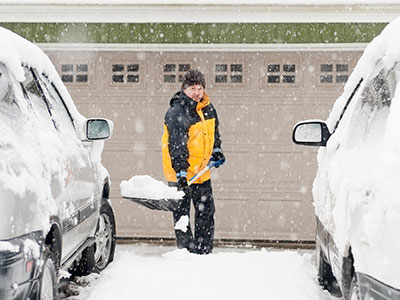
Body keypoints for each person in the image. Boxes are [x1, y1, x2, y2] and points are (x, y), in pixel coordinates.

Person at [161, 69, 225, 255]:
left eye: (200, 88)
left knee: (206, 213)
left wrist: (217, 151)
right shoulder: (176, 112)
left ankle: (204, 252)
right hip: (180, 174)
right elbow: (177, 146)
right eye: (192, 88)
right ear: (184, 89)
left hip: (202, 172)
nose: (197, 93)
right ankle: (186, 255)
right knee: (182, 217)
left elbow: (215, 135)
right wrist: (181, 173)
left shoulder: (209, 109)